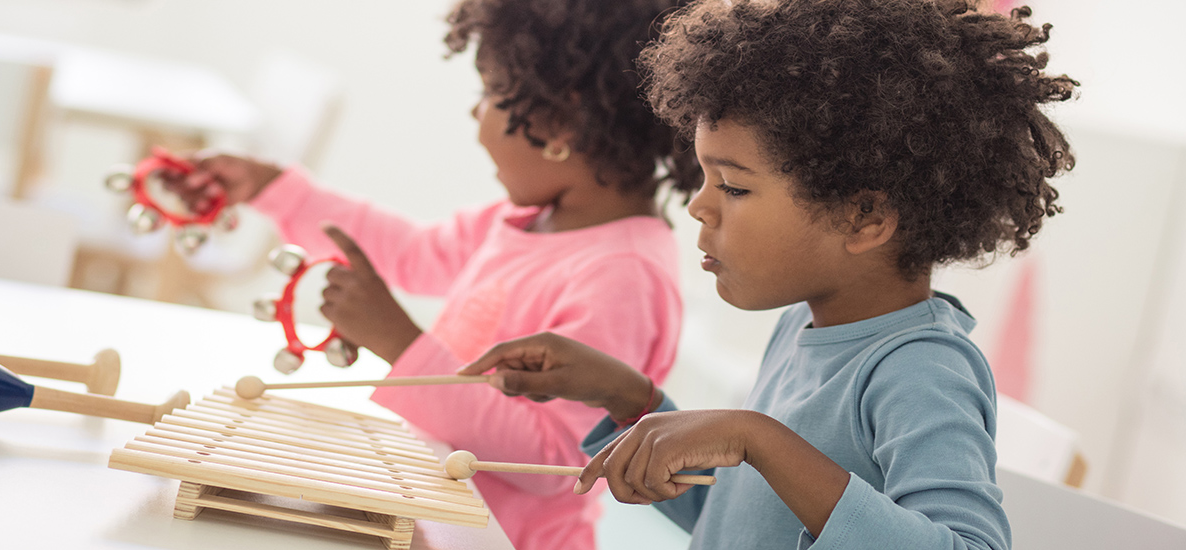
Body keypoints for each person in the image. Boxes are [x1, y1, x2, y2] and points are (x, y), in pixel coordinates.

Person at [458, 0, 1077, 548]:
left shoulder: (921, 370)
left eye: (732, 185)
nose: (699, 205)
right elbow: (740, 523)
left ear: (863, 217)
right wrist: (627, 397)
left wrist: (757, 437)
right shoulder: (801, 328)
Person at [164, 1, 700, 549]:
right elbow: (411, 253)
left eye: (489, 93)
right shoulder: (524, 222)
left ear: (559, 120)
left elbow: (557, 459)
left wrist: (400, 344)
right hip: (429, 519)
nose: (475, 116)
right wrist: (271, 186)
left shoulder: (623, 275)